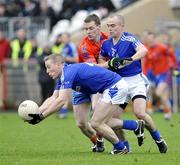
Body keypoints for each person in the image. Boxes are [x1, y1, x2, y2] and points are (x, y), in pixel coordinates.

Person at [26, 54, 145, 155]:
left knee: (96, 123)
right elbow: (53, 97)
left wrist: (41, 117)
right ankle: (135, 126)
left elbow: (61, 101)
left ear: (58, 64)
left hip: (114, 86)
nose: (47, 71)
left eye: (48, 67)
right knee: (102, 122)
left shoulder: (68, 73)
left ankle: (120, 148)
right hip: (111, 87)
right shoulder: (64, 75)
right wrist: (37, 111)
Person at [98, 14, 167, 153]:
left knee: (140, 113)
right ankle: (125, 146)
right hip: (119, 83)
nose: (110, 29)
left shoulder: (129, 38)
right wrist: (108, 64)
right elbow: (100, 60)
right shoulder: (106, 43)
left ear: (122, 26)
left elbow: (143, 50)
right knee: (112, 119)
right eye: (108, 26)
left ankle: (158, 138)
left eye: (113, 26)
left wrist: (129, 60)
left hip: (135, 81)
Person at [75, 14, 130, 152]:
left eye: (91, 28)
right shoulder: (84, 47)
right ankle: (97, 140)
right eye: (85, 29)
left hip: (103, 84)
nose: (88, 32)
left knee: (104, 116)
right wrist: (112, 63)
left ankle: (124, 146)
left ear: (99, 27)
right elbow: (94, 70)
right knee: (81, 123)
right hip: (84, 83)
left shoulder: (110, 39)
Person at [142, 30, 178, 120]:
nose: (150, 41)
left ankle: (166, 111)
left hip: (166, 73)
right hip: (156, 75)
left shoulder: (161, 47)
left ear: (154, 39)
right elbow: (146, 64)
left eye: (151, 39)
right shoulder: (148, 50)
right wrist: (144, 74)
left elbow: (172, 55)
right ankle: (168, 112)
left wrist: (175, 66)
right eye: (148, 39)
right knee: (164, 96)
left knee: (158, 92)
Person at [58, 32, 78, 118]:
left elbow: (77, 59)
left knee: (70, 92)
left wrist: (65, 58)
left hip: (72, 72)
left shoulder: (71, 46)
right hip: (65, 72)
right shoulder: (63, 47)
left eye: (64, 37)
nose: (63, 39)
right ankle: (64, 111)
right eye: (62, 38)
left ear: (69, 38)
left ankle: (75, 112)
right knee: (64, 92)